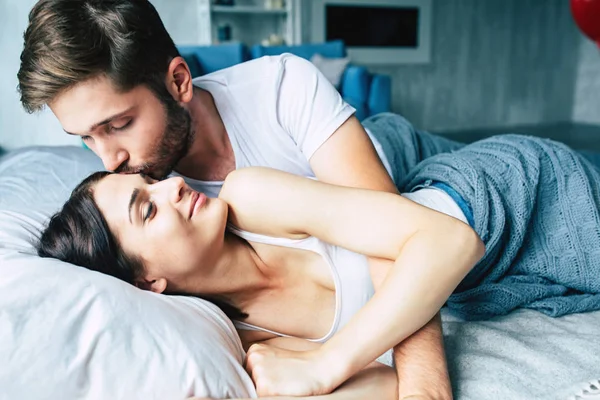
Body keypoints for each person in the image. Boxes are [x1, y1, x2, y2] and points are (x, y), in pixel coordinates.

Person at [18, 1, 458, 398]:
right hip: (369, 203)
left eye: (119, 125)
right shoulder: (143, 196)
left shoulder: (281, 88)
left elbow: (400, 248)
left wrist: (424, 385)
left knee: (434, 159)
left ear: (178, 82)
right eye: (86, 140)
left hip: (395, 150)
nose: (111, 161)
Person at [38, 166, 484, 399]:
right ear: (147, 281)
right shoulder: (251, 344)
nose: (173, 184)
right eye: (148, 210)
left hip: (487, 195)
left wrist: (328, 363)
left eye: (153, 182)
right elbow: (389, 386)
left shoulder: (251, 199)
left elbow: (453, 240)